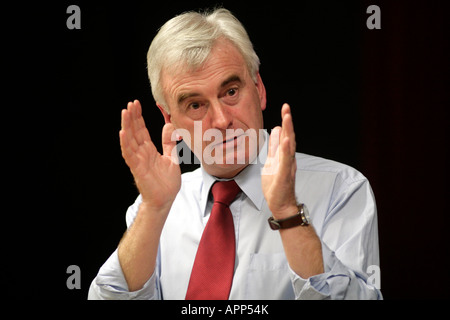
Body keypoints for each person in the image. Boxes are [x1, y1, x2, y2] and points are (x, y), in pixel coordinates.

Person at [88, 8, 381, 300]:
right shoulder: (156, 206)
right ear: (169, 120)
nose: (220, 121)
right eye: (195, 105)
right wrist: (153, 210)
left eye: (230, 92)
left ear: (259, 89)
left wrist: (287, 213)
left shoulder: (341, 188)